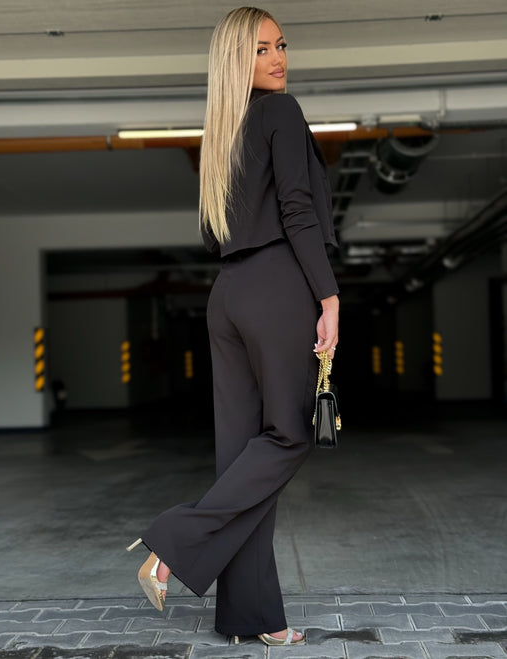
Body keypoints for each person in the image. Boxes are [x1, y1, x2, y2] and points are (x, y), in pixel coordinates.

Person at [127, 6, 339, 646]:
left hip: (229, 294)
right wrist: (328, 295)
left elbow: (210, 233)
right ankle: (172, 542)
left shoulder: (220, 135)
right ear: (235, 61)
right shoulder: (281, 113)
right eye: (261, 49)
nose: (278, 58)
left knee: (244, 454)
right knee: (289, 436)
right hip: (278, 287)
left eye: (281, 45)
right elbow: (298, 210)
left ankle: (254, 618)